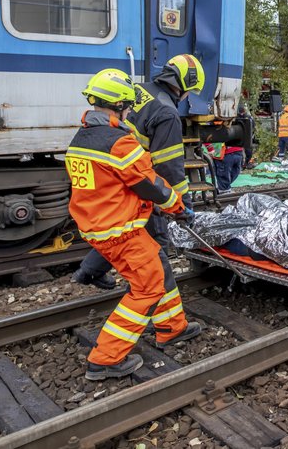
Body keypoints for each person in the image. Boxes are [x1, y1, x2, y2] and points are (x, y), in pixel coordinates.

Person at [66, 69, 200, 379]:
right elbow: (152, 184)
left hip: (98, 227)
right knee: (147, 287)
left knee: (157, 264)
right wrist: (178, 207)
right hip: (119, 231)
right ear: (120, 106)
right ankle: (105, 358)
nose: (130, 112)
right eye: (128, 107)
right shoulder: (118, 144)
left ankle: (171, 327)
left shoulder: (81, 138)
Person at [73, 54, 204, 289]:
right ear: (184, 86)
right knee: (156, 240)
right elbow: (169, 167)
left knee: (120, 230)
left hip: (114, 169)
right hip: (138, 175)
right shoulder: (167, 113)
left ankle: (88, 271)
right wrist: (181, 205)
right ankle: (153, 300)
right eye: (190, 91)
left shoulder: (138, 90)